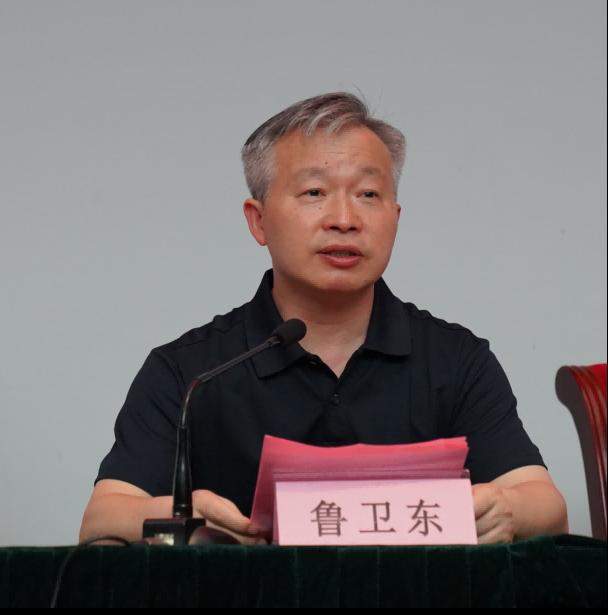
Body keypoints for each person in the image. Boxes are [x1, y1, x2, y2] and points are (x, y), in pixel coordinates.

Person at [80, 92, 568, 546]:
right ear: (258, 220)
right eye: (314, 192)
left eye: (368, 195)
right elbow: (102, 518)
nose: (344, 219)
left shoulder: (456, 360)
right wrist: (187, 514)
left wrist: (506, 509)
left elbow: (546, 505)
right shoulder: (190, 372)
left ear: (396, 217)